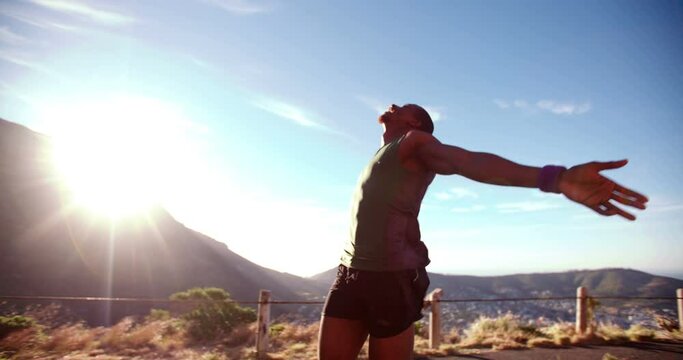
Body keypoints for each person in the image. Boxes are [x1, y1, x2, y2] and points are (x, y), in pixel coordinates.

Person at [317, 103, 648, 360]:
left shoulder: (415, 143)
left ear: (414, 122)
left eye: (403, 107)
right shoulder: (383, 154)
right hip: (349, 273)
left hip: (390, 277)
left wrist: (555, 179)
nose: (392, 105)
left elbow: (465, 161)